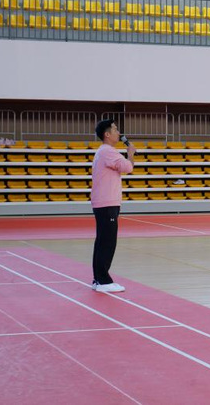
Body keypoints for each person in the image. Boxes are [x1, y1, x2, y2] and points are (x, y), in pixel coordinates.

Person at [90, 119, 135, 293]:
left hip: (104, 202)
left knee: (102, 241)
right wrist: (130, 153)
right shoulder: (108, 151)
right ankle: (103, 280)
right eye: (115, 130)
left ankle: (98, 279)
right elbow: (128, 167)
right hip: (107, 202)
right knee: (107, 242)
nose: (119, 133)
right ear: (107, 134)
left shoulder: (103, 151)